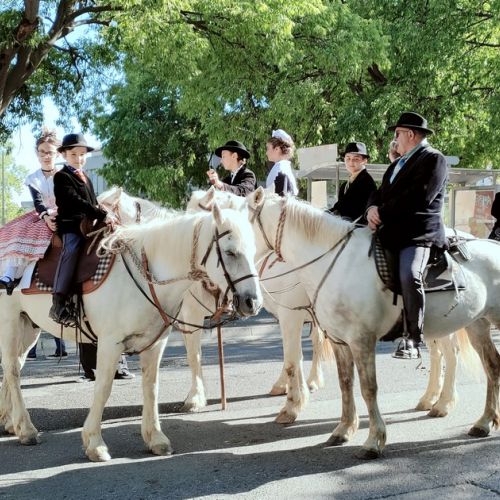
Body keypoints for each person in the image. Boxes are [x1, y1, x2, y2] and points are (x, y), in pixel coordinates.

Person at [366, 112, 448, 358]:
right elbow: (379, 193)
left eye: (397, 134)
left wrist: (382, 211)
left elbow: (419, 197)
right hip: (392, 231)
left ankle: (413, 337)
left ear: (410, 134)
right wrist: (371, 208)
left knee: (409, 273)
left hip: (419, 234)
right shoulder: (397, 164)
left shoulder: (434, 159)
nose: (396, 139)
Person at [0, 128, 67, 357]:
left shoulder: (64, 175)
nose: (45, 156)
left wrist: (57, 215)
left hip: (64, 213)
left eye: (49, 152)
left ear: (57, 153)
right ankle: (11, 273)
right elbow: (38, 203)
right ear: (37, 154)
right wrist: (46, 216)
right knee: (17, 230)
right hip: (43, 215)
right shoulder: (34, 178)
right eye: (41, 152)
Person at [48, 133, 108, 325]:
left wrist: (105, 214)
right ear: (64, 155)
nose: (79, 158)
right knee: (71, 250)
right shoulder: (61, 176)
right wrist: (98, 212)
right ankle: (57, 304)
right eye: (74, 154)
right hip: (71, 226)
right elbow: (75, 201)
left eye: (82, 154)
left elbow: (93, 202)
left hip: (89, 226)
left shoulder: (87, 178)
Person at [327, 142, 376, 222]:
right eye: (348, 158)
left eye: (356, 159)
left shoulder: (367, 182)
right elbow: (338, 207)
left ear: (364, 161)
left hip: (360, 229)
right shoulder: (344, 186)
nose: (351, 162)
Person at [265, 129, 299, 196]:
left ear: (277, 149)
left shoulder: (280, 169)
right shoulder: (283, 167)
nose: (266, 153)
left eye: (268, 148)